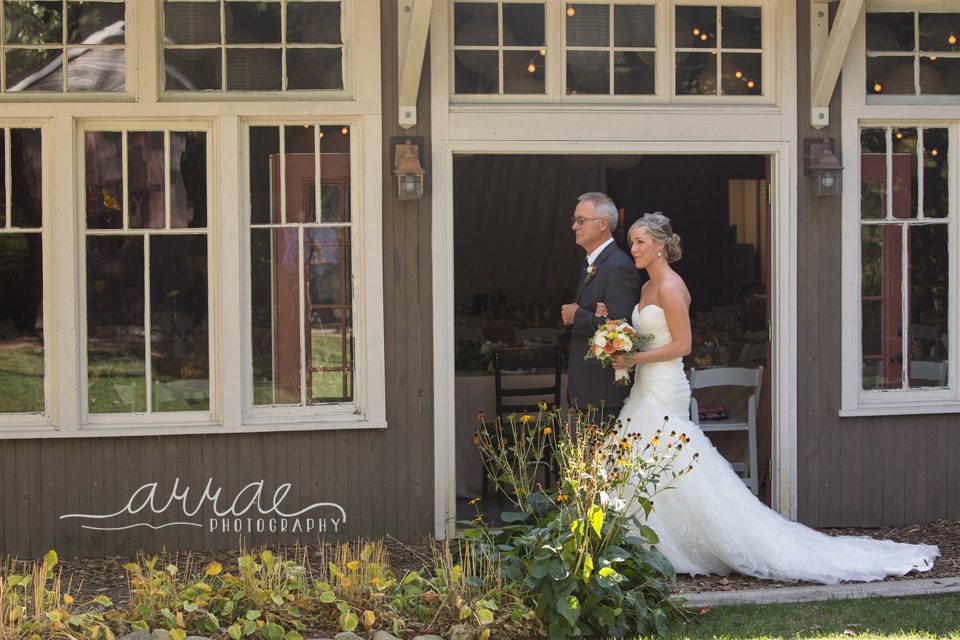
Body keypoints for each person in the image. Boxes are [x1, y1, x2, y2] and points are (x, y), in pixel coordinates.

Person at [594, 212, 939, 584]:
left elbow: (683, 344)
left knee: (669, 461)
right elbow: (651, 334)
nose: (634, 249)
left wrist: (633, 356)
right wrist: (619, 333)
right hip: (645, 383)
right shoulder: (647, 288)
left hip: (663, 386)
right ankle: (658, 544)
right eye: (632, 242)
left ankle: (702, 542)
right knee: (641, 460)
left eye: (640, 242)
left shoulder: (670, 287)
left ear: (660, 245)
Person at [561, 192, 641, 423]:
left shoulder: (617, 266)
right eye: (574, 219)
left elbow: (620, 328)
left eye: (581, 220)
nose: (574, 226)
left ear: (603, 224)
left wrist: (577, 315)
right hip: (590, 387)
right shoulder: (592, 262)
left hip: (603, 390)